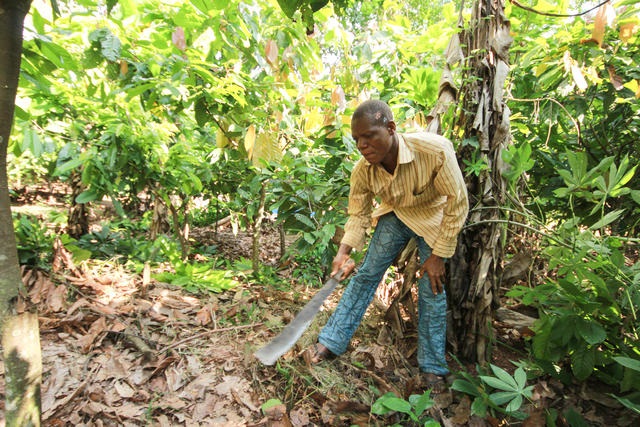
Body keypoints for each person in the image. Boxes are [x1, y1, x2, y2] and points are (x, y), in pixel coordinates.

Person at [304, 99, 469, 392]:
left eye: (369, 136)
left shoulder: (435, 151)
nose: (363, 145)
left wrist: (439, 255)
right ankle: (331, 341)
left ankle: (432, 367)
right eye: (357, 140)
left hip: (434, 217)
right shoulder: (363, 170)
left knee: (433, 288)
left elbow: (458, 203)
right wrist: (343, 252)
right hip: (396, 214)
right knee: (367, 275)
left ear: (391, 129)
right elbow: (359, 214)